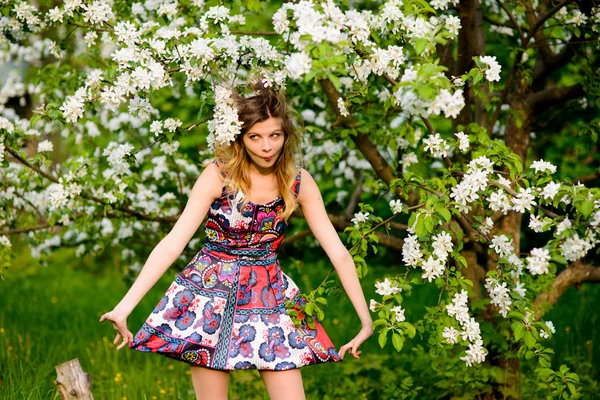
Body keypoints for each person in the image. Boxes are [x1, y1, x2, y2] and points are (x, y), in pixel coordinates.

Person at [100, 81, 373, 400]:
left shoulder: (297, 182)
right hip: (208, 299)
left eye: (275, 135)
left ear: (286, 135)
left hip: (269, 296)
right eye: (255, 137)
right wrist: (124, 307)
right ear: (240, 139)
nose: (267, 146)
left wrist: (365, 320)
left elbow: (338, 254)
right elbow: (173, 243)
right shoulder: (218, 176)